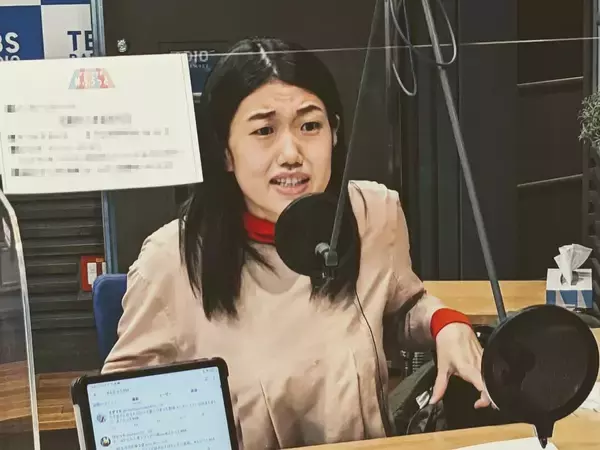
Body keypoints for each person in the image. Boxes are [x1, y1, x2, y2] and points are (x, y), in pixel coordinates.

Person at [103, 37, 489, 448]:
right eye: (264, 131)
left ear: (334, 133)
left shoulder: (373, 213)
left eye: (310, 126)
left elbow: (400, 307)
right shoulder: (171, 261)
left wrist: (445, 323)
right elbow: (124, 411)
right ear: (225, 152)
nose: (291, 153)